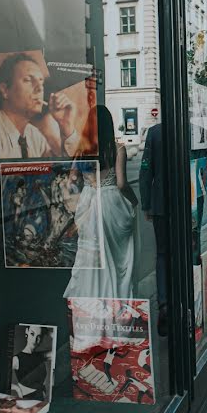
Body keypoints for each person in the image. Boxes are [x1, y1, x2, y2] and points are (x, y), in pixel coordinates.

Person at [139, 122, 207, 336]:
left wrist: (147, 204)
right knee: (191, 253)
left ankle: (165, 305)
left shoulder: (155, 132)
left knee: (162, 255)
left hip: (161, 205)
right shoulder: (198, 132)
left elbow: (146, 169)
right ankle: (191, 303)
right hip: (191, 206)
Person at [63, 106, 138, 299]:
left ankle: (91, 299)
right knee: (116, 256)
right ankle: (116, 300)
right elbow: (121, 184)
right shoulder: (117, 148)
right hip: (111, 202)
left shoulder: (82, 148)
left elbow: (72, 179)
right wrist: (134, 200)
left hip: (89, 201)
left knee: (90, 253)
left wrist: (81, 193)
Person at [0, 52, 79, 159]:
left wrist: (66, 125)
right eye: (28, 80)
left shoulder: (35, 137)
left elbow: (67, 171)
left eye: (41, 82)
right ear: (5, 90)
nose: (40, 88)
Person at [11, 325, 51, 400]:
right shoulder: (17, 359)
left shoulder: (40, 356)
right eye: (32, 334)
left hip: (40, 397)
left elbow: (57, 351)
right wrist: (17, 389)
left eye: (39, 336)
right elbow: (0, 376)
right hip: (28, 398)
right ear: (27, 331)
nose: (34, 340)